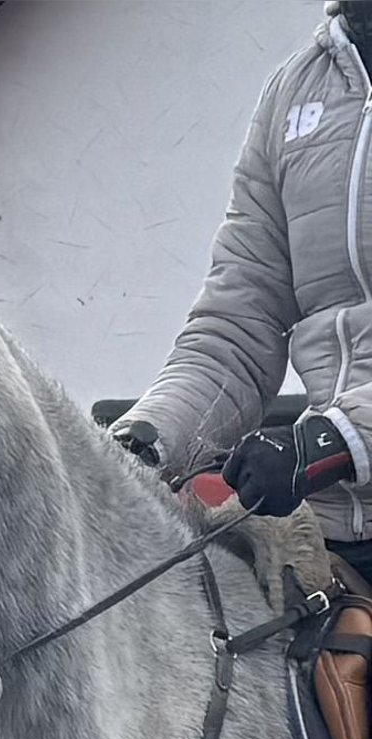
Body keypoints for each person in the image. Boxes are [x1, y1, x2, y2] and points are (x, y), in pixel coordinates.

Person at [110, 0, 372, 582]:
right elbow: (236, 328)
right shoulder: (295, 91)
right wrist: (138, 446)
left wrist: (337, 438)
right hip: (324, 526)